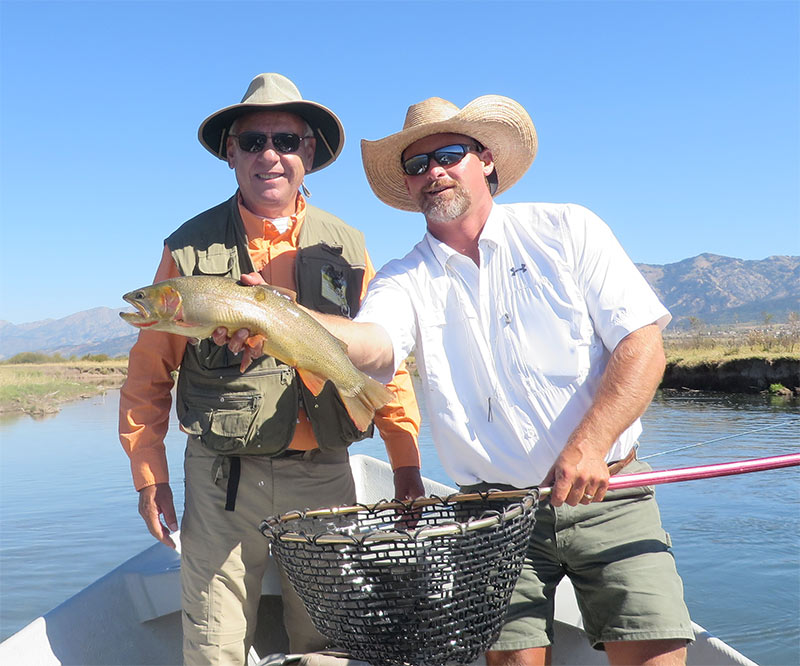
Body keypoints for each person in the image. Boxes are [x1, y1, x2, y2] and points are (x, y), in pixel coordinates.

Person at [294, 95, 695, 666]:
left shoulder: (568, 229)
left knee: (656, 653)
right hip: (492, 516)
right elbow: (376, 344)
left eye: (449, 154)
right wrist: (280, 316)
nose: (433, 172)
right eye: (416, 164)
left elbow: (642, 344)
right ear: (407, 186)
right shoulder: (402, 278)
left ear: (484, 159)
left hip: (611, 492)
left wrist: (590, 445)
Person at [118, 73, 424, 665]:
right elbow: (148, 373)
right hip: (221, 483)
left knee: (330, 641)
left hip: (325, 474)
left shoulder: (349, 245)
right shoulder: (186, 250)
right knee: (213, 644)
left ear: (308, 151)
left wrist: (405, 458)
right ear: (230, 152)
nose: (269, 155)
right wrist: (147, 471)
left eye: (285, 140)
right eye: (252, 141)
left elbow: (386, 359)